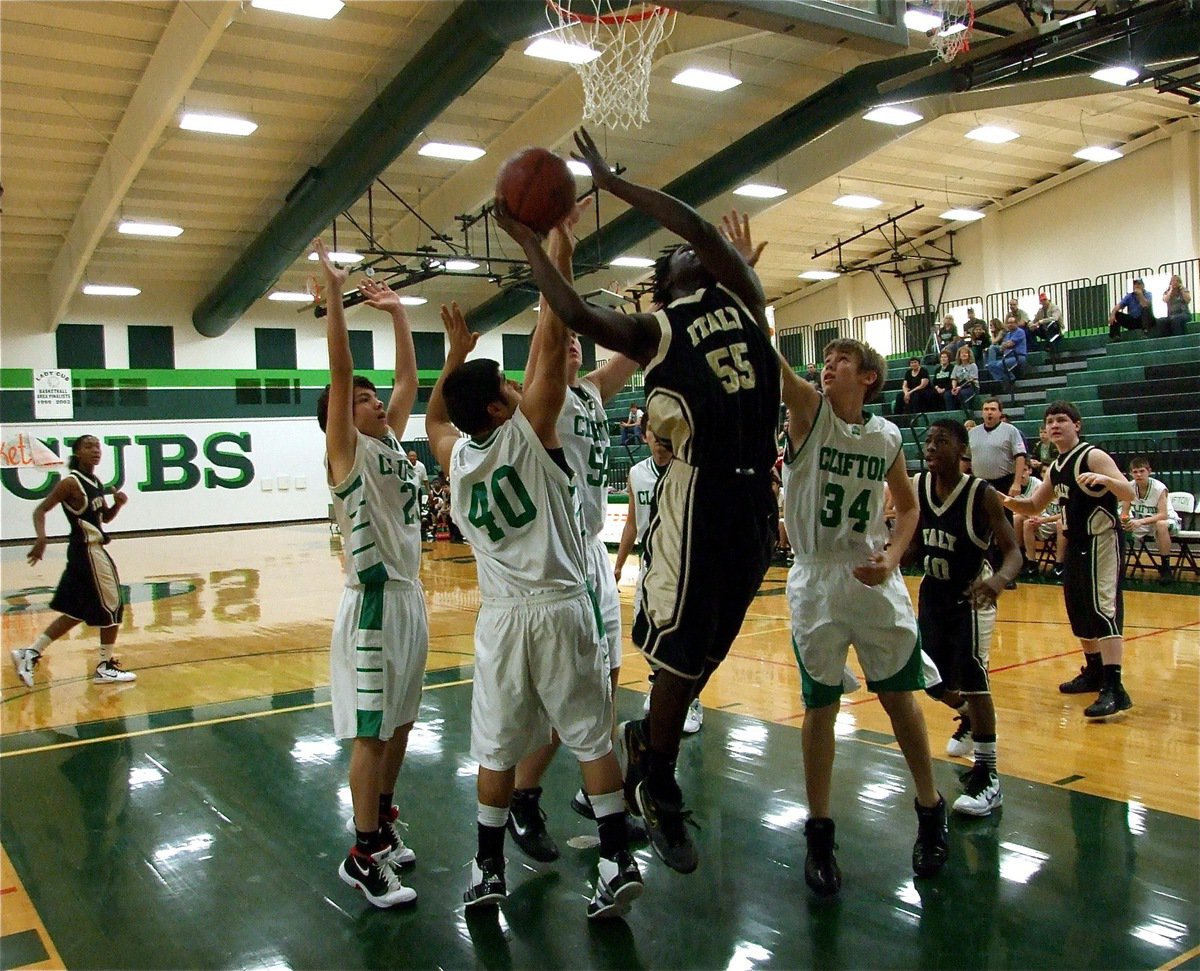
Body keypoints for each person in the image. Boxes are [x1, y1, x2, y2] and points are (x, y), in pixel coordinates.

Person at [503, 127, 779, 876]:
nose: (703, 247)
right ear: (671, 280)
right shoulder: (658, 327)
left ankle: (646, 749)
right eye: (691, 255)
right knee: (681, 654)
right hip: (701, 496)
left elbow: (691, 224)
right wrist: (534, 247)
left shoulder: (747, 295)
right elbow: (572, 310)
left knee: (706, 653)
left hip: (759, 505)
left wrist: (611, 183)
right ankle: (655, 775)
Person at [427, 212, 642, 920]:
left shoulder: (455, 457)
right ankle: (616, 857)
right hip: (558, 604)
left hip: (501, 618)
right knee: (591, 734)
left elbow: (438, 417)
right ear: (499, 405)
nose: (524, 388)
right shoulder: (532, 432)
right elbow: (553, 336)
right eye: (508, 390)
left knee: (494, 745)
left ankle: (488, 869)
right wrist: (554, 249)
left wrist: (453, 360)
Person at [779, 336, 948, 897]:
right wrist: (749, 299)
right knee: (820, 707)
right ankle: (820, 834)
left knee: (901, 699)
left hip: (873, 575)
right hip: (816, 577)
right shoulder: (808, 414)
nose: (828, 368)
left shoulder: (886, 436)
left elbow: (908, 505)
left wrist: (895, 554)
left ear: (869, 377)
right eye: (824, 362)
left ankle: (930, 809)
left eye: (841, 361)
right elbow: (775, 363)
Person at [505, 201, 644, 863]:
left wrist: (656, 305)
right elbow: (549, 323)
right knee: (573, 703)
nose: (574, 344)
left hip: (590, 553)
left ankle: (597, 792)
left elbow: (634, 351)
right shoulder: (538, 394)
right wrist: (557, 244)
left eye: (578, 340)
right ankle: (524, 797)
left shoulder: (590, 391)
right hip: (557, 562)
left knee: (607, 685)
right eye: (564, 339)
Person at [313, 239, 427, 909]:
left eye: (373, 396)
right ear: (336, 418)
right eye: (360, 398)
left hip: (410, 599)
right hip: (374, 604)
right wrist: (336, 299)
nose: (376, 400)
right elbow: (340, 363)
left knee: (402, 721)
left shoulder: (390, 443)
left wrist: (399, 315)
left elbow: (409, 381)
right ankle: (360, 854)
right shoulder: (346, 454)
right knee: (370, 729)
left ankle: (382, 821)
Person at [913, 419, 1021, 816]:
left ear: (963, 452)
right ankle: (968, 720)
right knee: (928, 678)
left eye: (940, 441)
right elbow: (911, 543)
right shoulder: (919, 487)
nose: (931, 446)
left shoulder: (982, 494)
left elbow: (1013, 552)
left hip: (972, 594)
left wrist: (999, 580)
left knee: (974, 678)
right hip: (933, 593)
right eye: (928, 440)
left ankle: (989, 775)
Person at [1002, 402, 1136, 718]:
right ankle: (1094, 671)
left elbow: (1129, 491)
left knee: (1104, 607)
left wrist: (1106, 482)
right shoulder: (1057, 467)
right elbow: (1034, 505)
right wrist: (1000, 500)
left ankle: (1115, 688)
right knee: (1078, 607)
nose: (1055, 425)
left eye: (1062, 420)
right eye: (1050, 421)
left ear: (1077, 425)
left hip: (1102, 539)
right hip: (1076, 542)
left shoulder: (1093, 456)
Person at [12, 435, 134, 687]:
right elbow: (41, 509)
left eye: (98, 446)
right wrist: (41, 539)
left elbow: (104, 519)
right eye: (88, 446)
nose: (95, 450)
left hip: (90, 550)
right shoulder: (71, 482)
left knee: (77, 611)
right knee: (113, 606)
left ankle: (30, 653)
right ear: (77, 452)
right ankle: (104, 666)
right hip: (87, 551)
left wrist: (118, 505)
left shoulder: (96, 481)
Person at [613, 418, 702, 733]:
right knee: (643, 632)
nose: (661, 438)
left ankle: (690, 699)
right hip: (650, 563)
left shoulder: (689, 470)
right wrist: (620, 563)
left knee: (682, 634)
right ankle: (661, 683)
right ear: (644, 434)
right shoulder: (637, 474)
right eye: (655, 431)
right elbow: (632, 523)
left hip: (684, 565)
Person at [1121, 455, 1180, 584]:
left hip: (1169, 521)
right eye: (1135, 472)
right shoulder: (1129, 487)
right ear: (1131, 474)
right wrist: (1125, 522)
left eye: (1142, 471)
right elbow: (1124, 513)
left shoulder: (1159, 488)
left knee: (1160, 524)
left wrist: (1139, 521)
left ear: (1149, 471)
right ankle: (1119, 567)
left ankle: (1166, 568)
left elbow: (1163, 515)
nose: (1138, 475)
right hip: (1143, 523)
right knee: (1117, 529)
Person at [986, 316, 1027, 390]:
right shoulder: (1008, 334)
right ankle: (1005, 379)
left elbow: (1010, 344)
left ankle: (1009, 379)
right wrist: (1004, 345)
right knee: (990, 364)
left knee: (1000, 364)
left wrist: (1005, 345)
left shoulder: (1020, 331)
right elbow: (1002, 347)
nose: (1010, 324)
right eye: (1008, 323)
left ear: (1016, 324)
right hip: (1007, 356)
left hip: (1017, 356)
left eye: (1012, 323)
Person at [950, 344, 979, 414]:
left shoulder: (973, 365)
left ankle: (966, 412)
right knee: (948, 395)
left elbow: (971, 379)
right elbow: (954, 378)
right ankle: (952, 413)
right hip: (959, 386)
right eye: (962, 353)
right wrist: (954, 388)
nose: (964, 354)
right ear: (959, 355)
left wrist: (959, 387)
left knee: (962, 393)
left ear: (969, 355)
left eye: (966, 353)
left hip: (971, 386)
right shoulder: (956, 366)